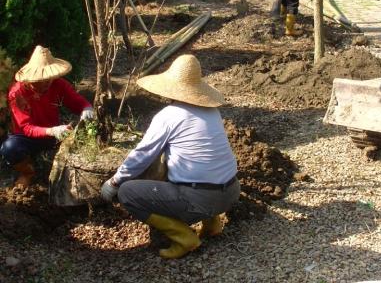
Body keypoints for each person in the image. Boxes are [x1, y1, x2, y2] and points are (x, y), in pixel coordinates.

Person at [101, 54, 240, 259]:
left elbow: (142, 154)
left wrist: (114, 182)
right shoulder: (212, 111)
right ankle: (212, 224)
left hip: (200, 199)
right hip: (231, 192)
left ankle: (185, 237)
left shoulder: (170, 115)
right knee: (190, 168)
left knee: (128, 193)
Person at [0, 46, 94, 188]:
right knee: (9, 148)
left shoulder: (58, 84)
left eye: (49, 78)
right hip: (26, 138)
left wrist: (86, 108)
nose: (47, 82)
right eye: (42, 79)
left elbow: (75, 100)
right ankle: (27, 172)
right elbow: (25, 128)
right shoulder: (18, 92)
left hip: (53, 134)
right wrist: (51, 131)